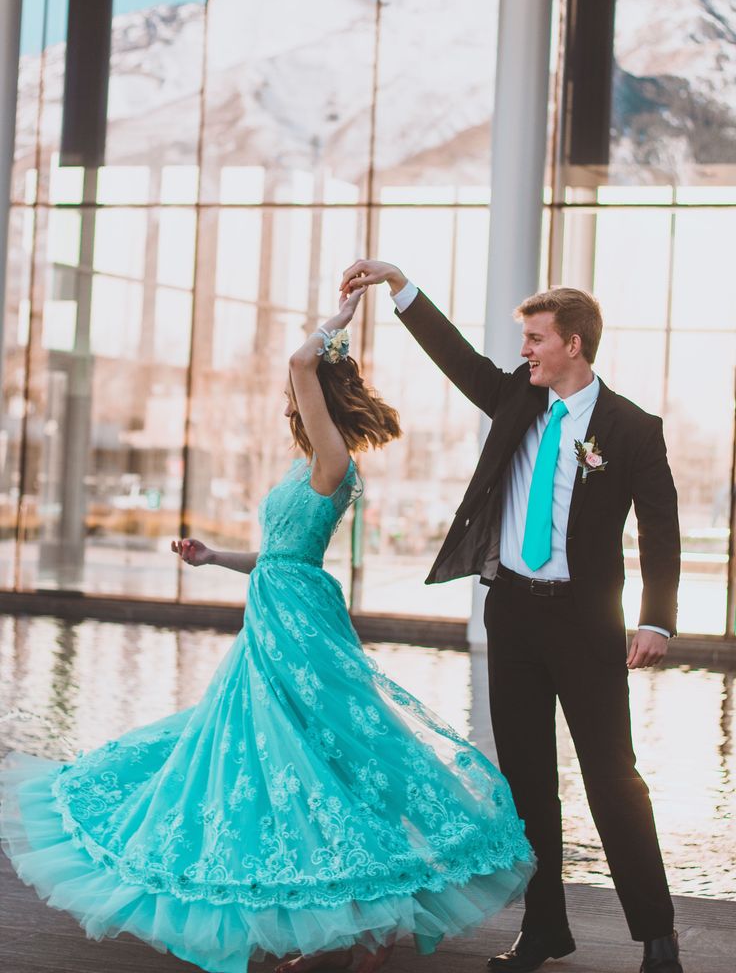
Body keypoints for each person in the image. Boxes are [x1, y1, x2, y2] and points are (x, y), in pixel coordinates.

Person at [0, 287, 536, 973]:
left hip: (299, 623)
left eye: (296, 392)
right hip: (275, 607)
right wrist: (214, 556)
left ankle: (368, 924)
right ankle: (342, 923)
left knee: (313, 759)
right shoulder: (304, 465)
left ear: (318, 395)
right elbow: (282, 553)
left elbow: (300, 364)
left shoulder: (332, 462)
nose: (288, 401)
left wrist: (332, 326)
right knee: (273, 761)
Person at [339, 260, 683, 973]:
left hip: (587, 623)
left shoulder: (632, 429)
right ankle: (545, 929)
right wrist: (401, 286)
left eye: (535, 338)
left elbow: (661, 529)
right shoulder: (516, 400)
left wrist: (656, 619)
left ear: (574, 345)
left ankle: (657, 935)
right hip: (515, 617)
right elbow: (457, 358)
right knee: (526, 777)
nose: (524, 350)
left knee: (612, 776)